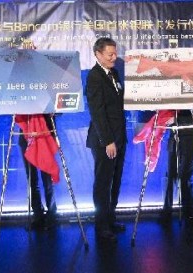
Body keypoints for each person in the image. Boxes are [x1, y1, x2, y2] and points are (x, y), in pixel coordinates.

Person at [86, 37, 127, 243]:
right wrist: (108, 140)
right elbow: (97, 112)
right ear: (98, 54)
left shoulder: (114, 74)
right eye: (109, 54)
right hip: (105, 140)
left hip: (120, 138)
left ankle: (111, 219)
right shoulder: (94, 77)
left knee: (115, 180)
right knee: (103, 183)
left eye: (115, 53)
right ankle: (101, 225)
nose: (114, 57)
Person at [18, 114, 58, 230]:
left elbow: (58, 106)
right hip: (26, 135)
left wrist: (53, 111)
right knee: (31, 179)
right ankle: (37, 216)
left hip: (44, 132)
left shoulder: (47, 94)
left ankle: (51, 216)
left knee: (47, 178)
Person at [159, 110, 193, 226]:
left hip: (189, 137)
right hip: (173, 137)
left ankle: (189, 211)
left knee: (184, 177)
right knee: (170, 176)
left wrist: (177, 121)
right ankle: (167, 211)